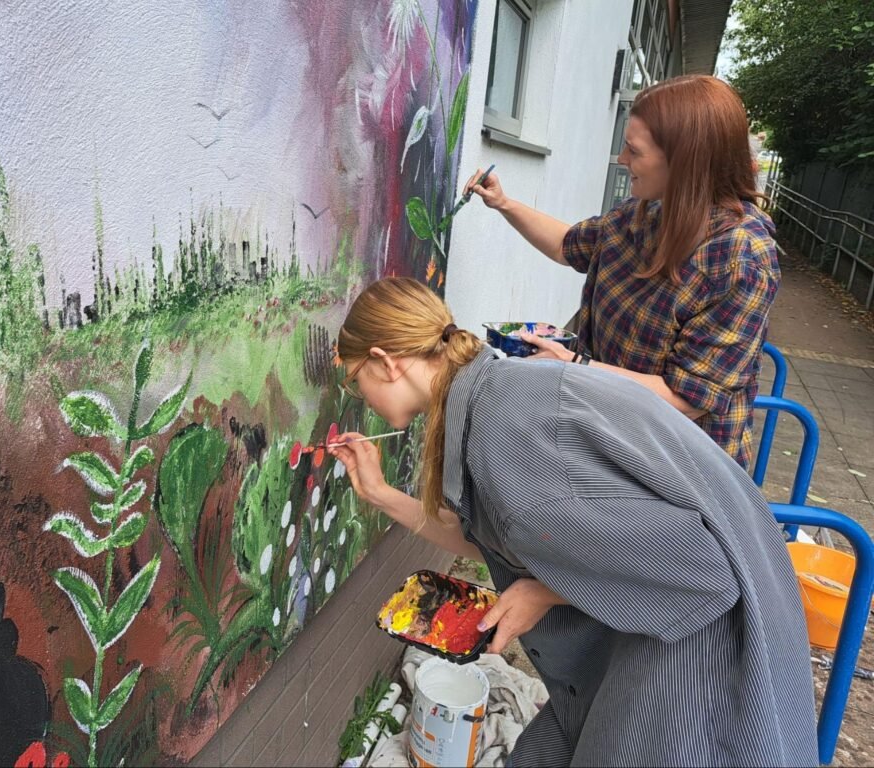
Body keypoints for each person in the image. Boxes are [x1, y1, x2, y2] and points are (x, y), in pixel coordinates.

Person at [329, 276, 817, 767]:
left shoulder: (504, 437)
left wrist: (543, 591)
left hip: (701, 657)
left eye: (355, 380)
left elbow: (702, 568)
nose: (358, 396)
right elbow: (519, 542)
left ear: (386, 361)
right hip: (664, 625)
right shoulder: (497, 390)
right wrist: (382, 495)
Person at [464, 75, 779, 469]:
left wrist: (571, 367)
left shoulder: (741, 259)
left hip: (678, 468)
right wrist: (504, 204)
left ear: (685, 161)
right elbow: (569, 246)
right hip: (610, 434)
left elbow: (687, 400)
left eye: (634, 150)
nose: (623, 160)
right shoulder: (644, 213)